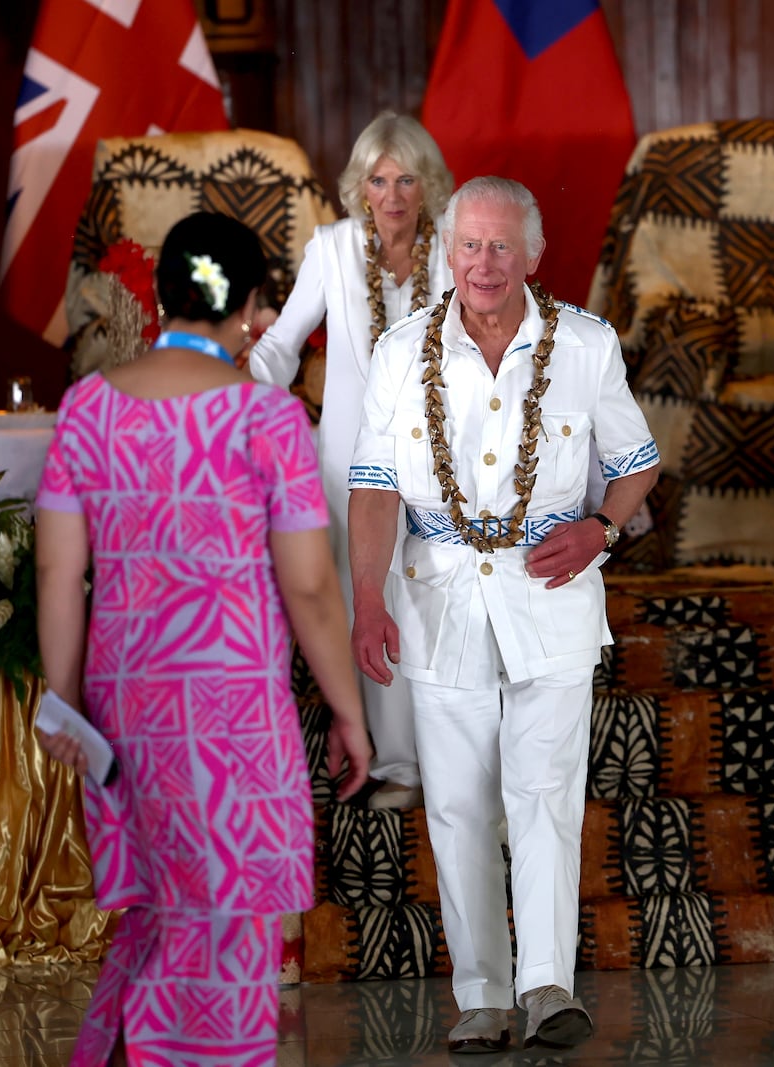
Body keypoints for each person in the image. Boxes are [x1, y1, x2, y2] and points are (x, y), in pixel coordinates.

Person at [36, 211, 372, 1067]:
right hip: (232, 720)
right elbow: (308, 586)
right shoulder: (268, 421)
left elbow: (57, 577)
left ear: (159, 293)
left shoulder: (86, 409)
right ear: (254, 308)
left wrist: (63, 702)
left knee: (158, 913)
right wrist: (349, 711)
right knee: (224, 935)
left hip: (127, 710)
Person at [347, 176, 659, 1054]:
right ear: (449, 251)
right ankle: (482, 994)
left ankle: (549, 984)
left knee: (546, 796)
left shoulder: (587, 346)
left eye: (501, 247)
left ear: (533, 254)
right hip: (439, 602)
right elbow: (373, 486)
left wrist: (601, 527)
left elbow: (638, 461)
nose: (484, 264)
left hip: (552, 603)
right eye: (469, 246)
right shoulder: (400, 351)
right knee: (456, 805)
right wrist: (367, 597)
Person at [249, 111, 453, 810]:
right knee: (363, 596)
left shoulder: (452, 252)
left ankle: (445, 762)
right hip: (347, 458)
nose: (392, 194)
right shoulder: (333, 249)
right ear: (359, 188)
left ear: (427, 187)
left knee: (425, 596)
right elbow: (280, 347)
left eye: (406, 179)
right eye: (378, 179)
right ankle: (396, 764)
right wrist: (226, 392)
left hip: (436, 459)